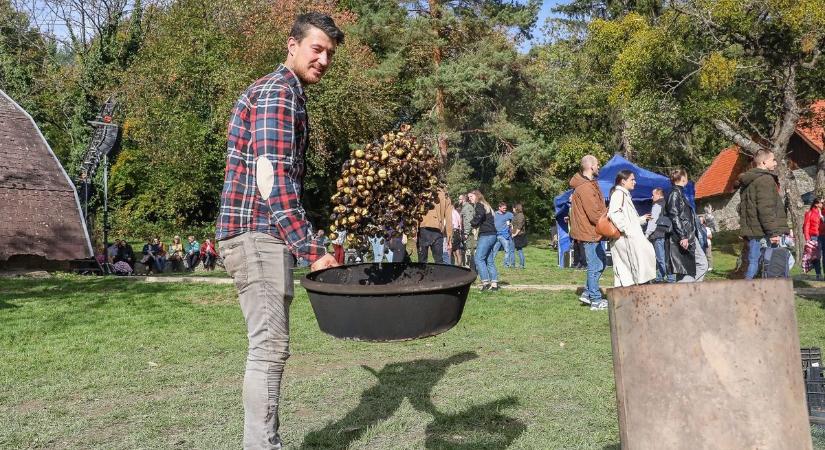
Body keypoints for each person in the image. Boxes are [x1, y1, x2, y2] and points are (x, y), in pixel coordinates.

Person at [215, 13, 342, 449]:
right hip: (258, 233)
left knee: (268, 347)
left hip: (257, 232)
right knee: (269, 349)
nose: (323, 59)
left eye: (329, 53)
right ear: (292, 45)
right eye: (316, 48)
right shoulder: (279, 93)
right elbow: (272, 176)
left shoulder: (275, 90)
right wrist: (310, 248)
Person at [737, 149, 790, 280]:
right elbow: (766, 209)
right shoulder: (765, 179)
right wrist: (773, 233)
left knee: (754, 262)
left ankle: (746, 291)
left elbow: (742, 207)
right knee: (776, 263)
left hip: (753, 231)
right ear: (764, 162)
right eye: (773, 160)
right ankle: (770, 291)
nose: (776, 163)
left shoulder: (748, 181)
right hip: (764, 231)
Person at [569, 155, 607, 310]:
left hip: (592, 231)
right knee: (594, 265)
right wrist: (608, 219)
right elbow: (593, 213)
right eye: (597, 164)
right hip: (589, 232)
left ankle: (587, 292)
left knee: (601, 262)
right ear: (591, 166)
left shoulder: (589, 184)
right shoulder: (585, 187)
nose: (599, 166)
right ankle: (596, 300)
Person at [607, 170, 657, 286]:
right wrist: (626, 230)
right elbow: (614, 213)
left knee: (630, 269)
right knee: (629, 268)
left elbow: (628, 218)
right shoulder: (618, 194)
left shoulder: (624, 195)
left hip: (629, 236)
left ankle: (631, 295)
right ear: (623, 181)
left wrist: (641, 219)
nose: (635, 182)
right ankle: (632, 295)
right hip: (625, 238)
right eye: (632, 179)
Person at [665, 168, 708, 282]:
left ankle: (685, 294)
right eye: (687, 177)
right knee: (702, 264)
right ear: (683, 179)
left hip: (685, 234)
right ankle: (686, 291)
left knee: (684, 269)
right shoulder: (675, 193)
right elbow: (674, 215)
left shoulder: (678, 193)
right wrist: (683, 236)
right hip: (685, 235)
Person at [470, 189, 499, 291]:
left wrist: (473, 223)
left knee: (478, 258)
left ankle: (485, 283)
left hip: (486, 235)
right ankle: (494, 284)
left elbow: (479, 215)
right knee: (489, 260)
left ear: (477, 196)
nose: (470, 199)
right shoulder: (487, 205)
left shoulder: (479, 205)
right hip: (493, 235)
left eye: (471, 197)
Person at [416, 188, 453, 263]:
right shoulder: (445, 195)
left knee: (422, 261)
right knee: (439, 261)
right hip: (437, 230)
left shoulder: (421, 192)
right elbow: (449, 219)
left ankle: (423, 274)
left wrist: (414, 230)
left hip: (423, 228)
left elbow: (416, 211)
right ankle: (439, 274)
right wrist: (449, 237)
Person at [645, 188, 673, 283]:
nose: (651, 197)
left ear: (658, 195)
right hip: (666, 234)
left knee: (660, 257)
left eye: (653, 195)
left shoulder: (657, 205)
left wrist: (647, 234)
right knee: (665, 256)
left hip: (658, 234)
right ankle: (661, 276)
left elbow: (653, 222)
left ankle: (670, 277)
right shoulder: (666, 204)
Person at [802, 198, 822, 280]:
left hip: (822, 236)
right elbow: (806, 226)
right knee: (815, 257)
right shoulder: (810, 213)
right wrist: (807, 238)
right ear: (816, 204)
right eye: (820, 203)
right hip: (814, 237)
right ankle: (818, 274)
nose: (822, 204)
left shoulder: (823, 213)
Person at [492, 202, 515, 268]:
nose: (505, 209)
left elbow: (515, 220)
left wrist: (511, 225)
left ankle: (506, 264)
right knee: (494, 250)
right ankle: (491, 263)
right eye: (503, 208)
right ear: (499, 208)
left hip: (504, 235)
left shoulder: (509, 214)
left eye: (505, 208)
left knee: (507, 250)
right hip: (496, 235)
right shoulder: (494, 214)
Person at [459, 193, 476, 269]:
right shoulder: (464, 207)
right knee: (467, 249)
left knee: (469, 249)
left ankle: (470, 266)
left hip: (469, 232)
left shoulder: (467, 207)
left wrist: (466, 232)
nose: (458, 200)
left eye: (459, 199)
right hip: (466, 231)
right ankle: (468, 265)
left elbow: (468, 221)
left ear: (463, 200)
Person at [511, 203, 527, 269]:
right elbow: (514, 224)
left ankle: (522, 265)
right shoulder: (516, 215)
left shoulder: (520, 216)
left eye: (513, 208)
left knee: (519, 250)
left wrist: (515, 234)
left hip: (519, 235)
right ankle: (514, 264)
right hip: (515, 234)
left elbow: (519, 226)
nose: (513, 209)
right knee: (517, 249)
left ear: (516, 208)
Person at [451, 200, 464, 266]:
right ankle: (457, 265)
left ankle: (459, 265)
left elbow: (458, 223)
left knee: (457, 251)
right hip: (455, 232)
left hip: (454, 232)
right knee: (454, 251)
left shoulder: (453, 212)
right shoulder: (455, 212)